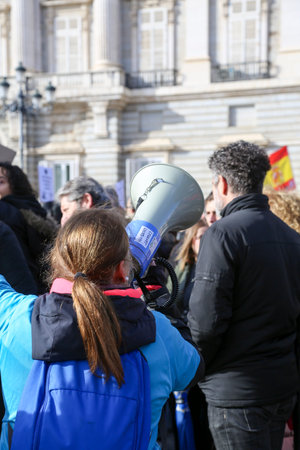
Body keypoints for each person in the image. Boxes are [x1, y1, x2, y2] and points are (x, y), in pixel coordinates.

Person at [0, 208, 203, 449]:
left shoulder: (16, 318)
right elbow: (194, 368)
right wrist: (159, 301)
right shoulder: (158, 331)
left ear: (56, 261)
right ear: (121, 269)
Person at [188, 140, 300, 450]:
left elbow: (206, 322)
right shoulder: (290, 236)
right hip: (279, 386)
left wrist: (195, 366)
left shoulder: (222, 234)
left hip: (236, 393)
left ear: (221, 183)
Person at [0, 162, 57, 293]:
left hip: (17, 289)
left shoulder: (6, 211)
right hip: (43, 285)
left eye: (1, 182)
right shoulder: (35, 207)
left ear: (14, 186)